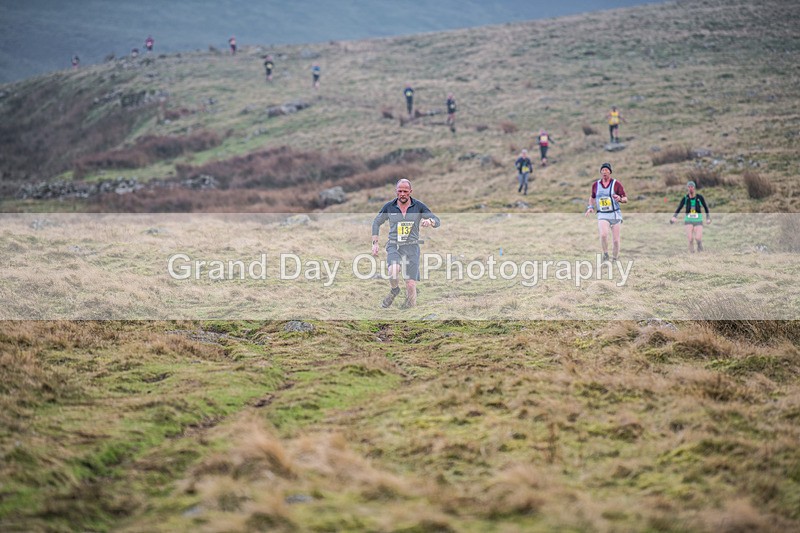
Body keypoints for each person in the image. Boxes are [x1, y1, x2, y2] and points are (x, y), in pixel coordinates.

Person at [372, 179, 440, 309]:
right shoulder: (389, 206)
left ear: (410, 192)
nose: (402, 194)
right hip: (394, 245)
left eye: (405, 191)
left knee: (410, 283)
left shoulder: (419, 206)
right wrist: (375, 243)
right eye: (399, 191)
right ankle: (395, 290)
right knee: (393, 270)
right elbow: (376, 222)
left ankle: (410, 310)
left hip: (412, 247)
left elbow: (437, 220)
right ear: (396, 191)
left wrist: (430, 221)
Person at [585, 162, 628, 261]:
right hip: (602, 214)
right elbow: (592, 197)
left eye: (607, 170)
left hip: (615, 214)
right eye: (603, 170)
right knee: (603, 235)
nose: (604, 172)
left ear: (610, 172)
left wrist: (620, 199)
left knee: (616, 241)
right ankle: (605, 254)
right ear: (601, 172)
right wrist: (590, 207)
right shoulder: (595, 185)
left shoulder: (616, 184)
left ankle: (615, 258)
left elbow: (625, 199)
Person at [671, 180, 711, 252]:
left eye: (692, 187)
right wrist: (674, 217)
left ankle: (700, 248)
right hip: (688, 220)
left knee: (698, 238)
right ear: (687, 188)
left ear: (694, 188)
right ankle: (692, 254)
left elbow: (706, 208)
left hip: (698, 220)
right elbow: (679, 208)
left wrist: (708, 218)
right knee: (690, 239)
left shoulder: (699, 197)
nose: (690, 188)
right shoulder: (685, 198)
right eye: (689, 187)